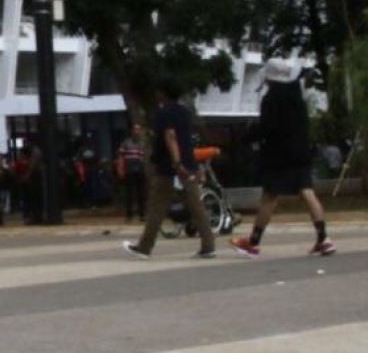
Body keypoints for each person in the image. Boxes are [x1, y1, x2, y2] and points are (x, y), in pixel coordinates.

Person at [232, 60, 336, 258]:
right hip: (300, 151)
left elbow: (267, 128)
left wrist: (247, 137)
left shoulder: (271, 99)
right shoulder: (297, 98)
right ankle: (323, 238)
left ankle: (253, 242)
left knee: (269, 196)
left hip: (278, 155)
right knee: (307, 192)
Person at [123, 81, 216, 259]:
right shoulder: (185, 113)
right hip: (189, 165)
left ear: (163, 94)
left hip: (169, 167)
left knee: (157, 206)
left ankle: (145, 246)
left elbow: (170, 136)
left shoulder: (163, 113)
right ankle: (208, 245)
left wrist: (176, 162)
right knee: (196, 206)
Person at [116, 123, 147, 222]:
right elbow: (121, 156)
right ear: (132, 131)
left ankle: (142, 215)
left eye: (139, 130)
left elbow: (143, 157)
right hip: (129, 170)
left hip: (140, 170)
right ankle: (129, 215)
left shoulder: (142, 144)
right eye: (135, 129)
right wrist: (120, 168)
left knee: (141, 193)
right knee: (129, 193)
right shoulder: (126, 143)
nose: (137, 132)